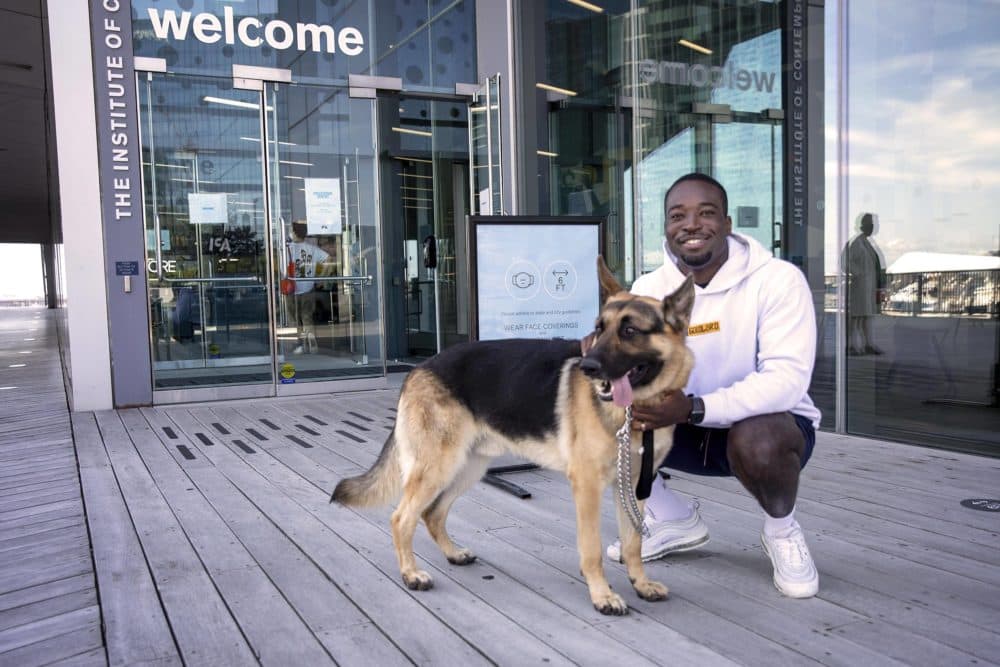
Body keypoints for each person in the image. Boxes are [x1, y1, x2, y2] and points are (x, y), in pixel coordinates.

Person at [606, 173, 822, 599]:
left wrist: (693, 407)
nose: (691, 224)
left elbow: (785, 382)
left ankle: (782, 529)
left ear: (726, 223)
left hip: (766, 432)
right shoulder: (649, 289)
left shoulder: (778, 280)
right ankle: (670, 517)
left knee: (758, 436)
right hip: (683, 428)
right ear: (666, 228)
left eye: (706, 213)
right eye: (677, 215)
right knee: (602, 417)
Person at [285, 221, 333, 354]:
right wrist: (322, 278)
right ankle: (312, 344)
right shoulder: (311, 248)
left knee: (293, 318)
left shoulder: (288, 248)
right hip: (309, 288)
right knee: (307, 317)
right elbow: (329, 259)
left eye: (290, 230)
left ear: (294, 232)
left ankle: (298, 345)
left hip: (291, 288)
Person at [841, 212, 886, 354]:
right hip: (860, 286)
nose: (874, 227)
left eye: (874, 224)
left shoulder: (866, 243)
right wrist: (858, 273)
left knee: (866, 316)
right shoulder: (857, 243)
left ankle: (867, 344)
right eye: (872, 224)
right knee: (856, 317)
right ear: (864, 225)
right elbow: (844, 262)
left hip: (867, 287)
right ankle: (851, 346)